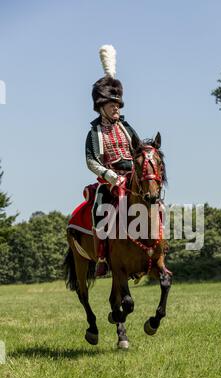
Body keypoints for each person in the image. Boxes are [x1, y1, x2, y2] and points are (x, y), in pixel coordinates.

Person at [85, 45, 140, 276]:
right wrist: (110, 176)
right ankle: (101, 258)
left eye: (117, 104)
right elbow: (91, 160)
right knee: (100, 211)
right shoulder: (94, 132)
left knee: (154, 202)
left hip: (133, 176)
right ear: (101, 107)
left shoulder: (126, 128)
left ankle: (154, 247)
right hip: (110, 180)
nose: (116, 107)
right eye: (112, 104)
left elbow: (138, 150)